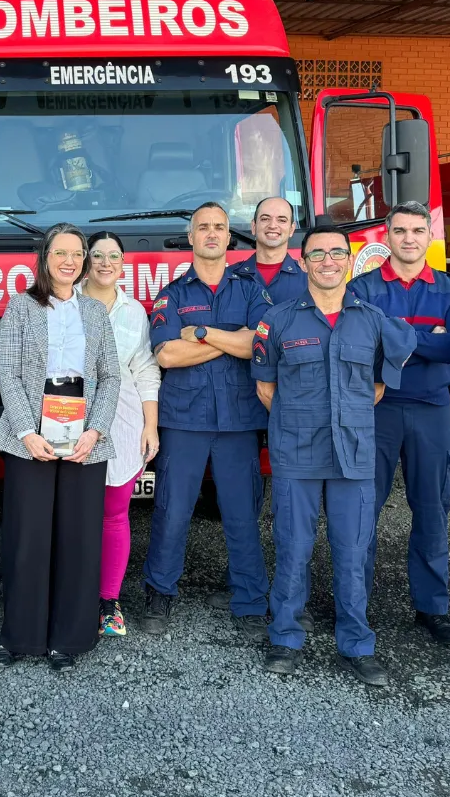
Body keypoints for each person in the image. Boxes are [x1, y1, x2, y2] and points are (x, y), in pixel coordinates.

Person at [251, 224, 415, 686]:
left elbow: (380, 384)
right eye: (317, 253)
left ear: (349, 260)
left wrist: (349, 412)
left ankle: (357, 642)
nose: (328, 261)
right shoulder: (278, 320)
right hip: (296, 453)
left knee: (352, 551)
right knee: (293, 548)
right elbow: (266, 388)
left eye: (337, 253)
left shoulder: (372, 319)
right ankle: (285, 637)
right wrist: (303, 417)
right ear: (302, 262)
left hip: (355, 453)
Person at [0, 223, 121, 672]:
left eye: (77, 254)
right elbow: (7, 373)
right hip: (31, 441)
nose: (70, 261)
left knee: (79, 542)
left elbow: (111, 376)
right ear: (45, 258)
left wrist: (95, 431)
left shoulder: (96, 313)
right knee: (28, 541)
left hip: (84, 442)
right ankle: (20, 637)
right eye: (60, 253)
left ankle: (71, 638)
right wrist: (28, 432)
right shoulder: (20, 308)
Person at [139, 202, 271, 642]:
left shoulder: (251, 290)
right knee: (172, 512)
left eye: (219, 227)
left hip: (238, 420)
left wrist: (198, 333)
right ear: (190, 237)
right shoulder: (171, 294)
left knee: (242, 513)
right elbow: (167, 355)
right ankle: (159, 593)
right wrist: (229, 338)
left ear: (229, 238)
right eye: (203, 228)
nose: (212, 234)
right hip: (184, 420)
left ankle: (250, 599)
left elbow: (258, 344)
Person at [348, 201, 450, 644]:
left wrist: (396, 335)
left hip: (432, 409)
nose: (409, 239)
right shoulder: (362, 288)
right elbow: (362, 347)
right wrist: (426, 339)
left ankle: (432, 608)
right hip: (375, 409)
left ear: (429, 235)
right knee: (362, 508)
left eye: (418, 231)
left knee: (433, 508)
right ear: (387, 235)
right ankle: (354, 603)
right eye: (400, 231)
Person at [78, 231, 160, 637]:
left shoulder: (134, 313)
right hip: (69, 420)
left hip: (124, 422)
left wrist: (150, 425)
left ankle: (108, 601)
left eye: (114, 256)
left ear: (123, 264)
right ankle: (73, 597)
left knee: (113, 514)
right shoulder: (65, 301)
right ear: (85, 260)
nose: (105, 263)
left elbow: (145, 369)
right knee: (71, 514)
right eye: (98, 255)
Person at [228, 197, 307, 306]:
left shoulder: (309, 279)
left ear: (292, 229)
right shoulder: (228, 278)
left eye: (282, 220)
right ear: (254, 226)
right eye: (265, 219)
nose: (273, 225)